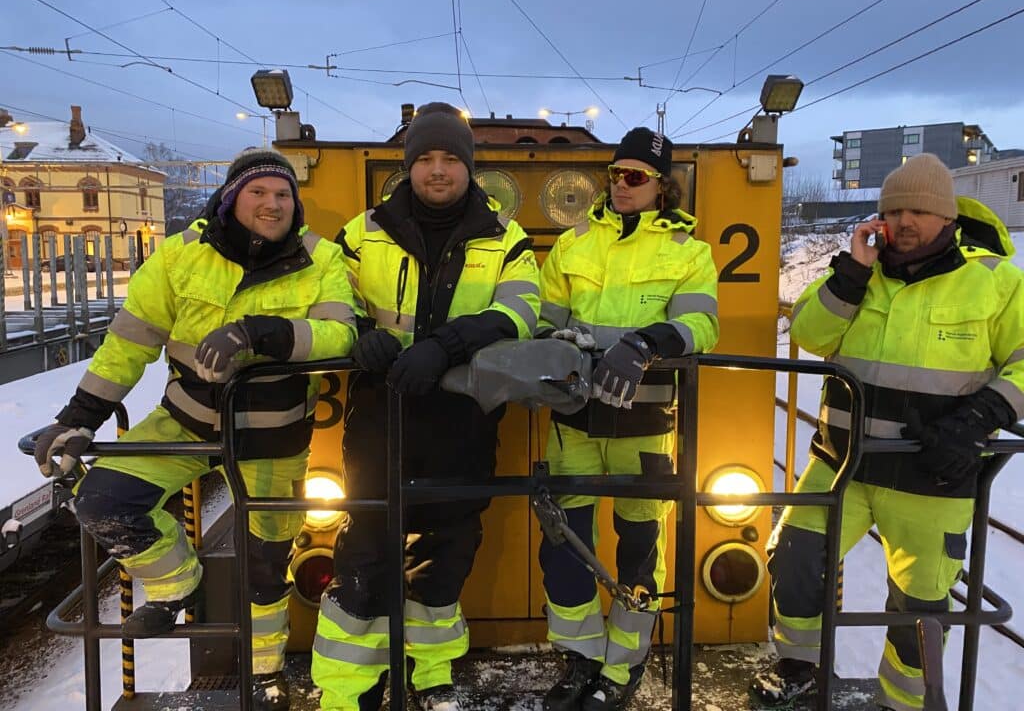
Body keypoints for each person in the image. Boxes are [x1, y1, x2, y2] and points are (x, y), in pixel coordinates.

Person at [33, 148, 358, 711]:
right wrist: (76, 418)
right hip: (186, 420)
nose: (273, 203)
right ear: (232, 198)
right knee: (104, 499)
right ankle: (174, 584)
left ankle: (265, 672)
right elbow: (128, 345)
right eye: (259, 192)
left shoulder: (321, 258)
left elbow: (340, 336)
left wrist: (259, 332)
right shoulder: (179, 257)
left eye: (283, 195)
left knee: (266, 565)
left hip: (275, 435)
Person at [751, 153, 1024, 711]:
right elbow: (806, 331)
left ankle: (902, 703)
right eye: (894, 209)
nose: (905, 221)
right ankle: (799, 668)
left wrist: (983, 416)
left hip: (932, 476)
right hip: (841, 465)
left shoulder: (996, 282)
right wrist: (850, 274)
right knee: (795, 558)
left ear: (946, 217)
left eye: (919, 211)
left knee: (919, 605)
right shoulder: (859, 273)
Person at [311, 102, 541, 711]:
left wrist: (445, 346)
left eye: (450, 159)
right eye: (425, 159)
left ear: (469, 168)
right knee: (365, 555)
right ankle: (344, 693)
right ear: (408, 167)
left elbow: (521, 312)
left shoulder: (506, 238)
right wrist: (364, 333)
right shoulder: (362, 233)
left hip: (463, 424)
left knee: (447, 555)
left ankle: (430, 674)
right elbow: (332, 298)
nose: (438, 171)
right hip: (381, 422)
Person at [536, 127, 720, 711]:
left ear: (662, 187)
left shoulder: (691, 253)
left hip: (646, 429)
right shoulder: (573, 245)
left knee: (640, 548)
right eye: (615, 174)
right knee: (563, 545)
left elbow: (703, 328)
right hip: (575, 425)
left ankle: (623, 668)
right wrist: (556, 344)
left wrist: (643, 344)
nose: (621, 185)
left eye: (635, 176)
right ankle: (580, 659)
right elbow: (543, 322)